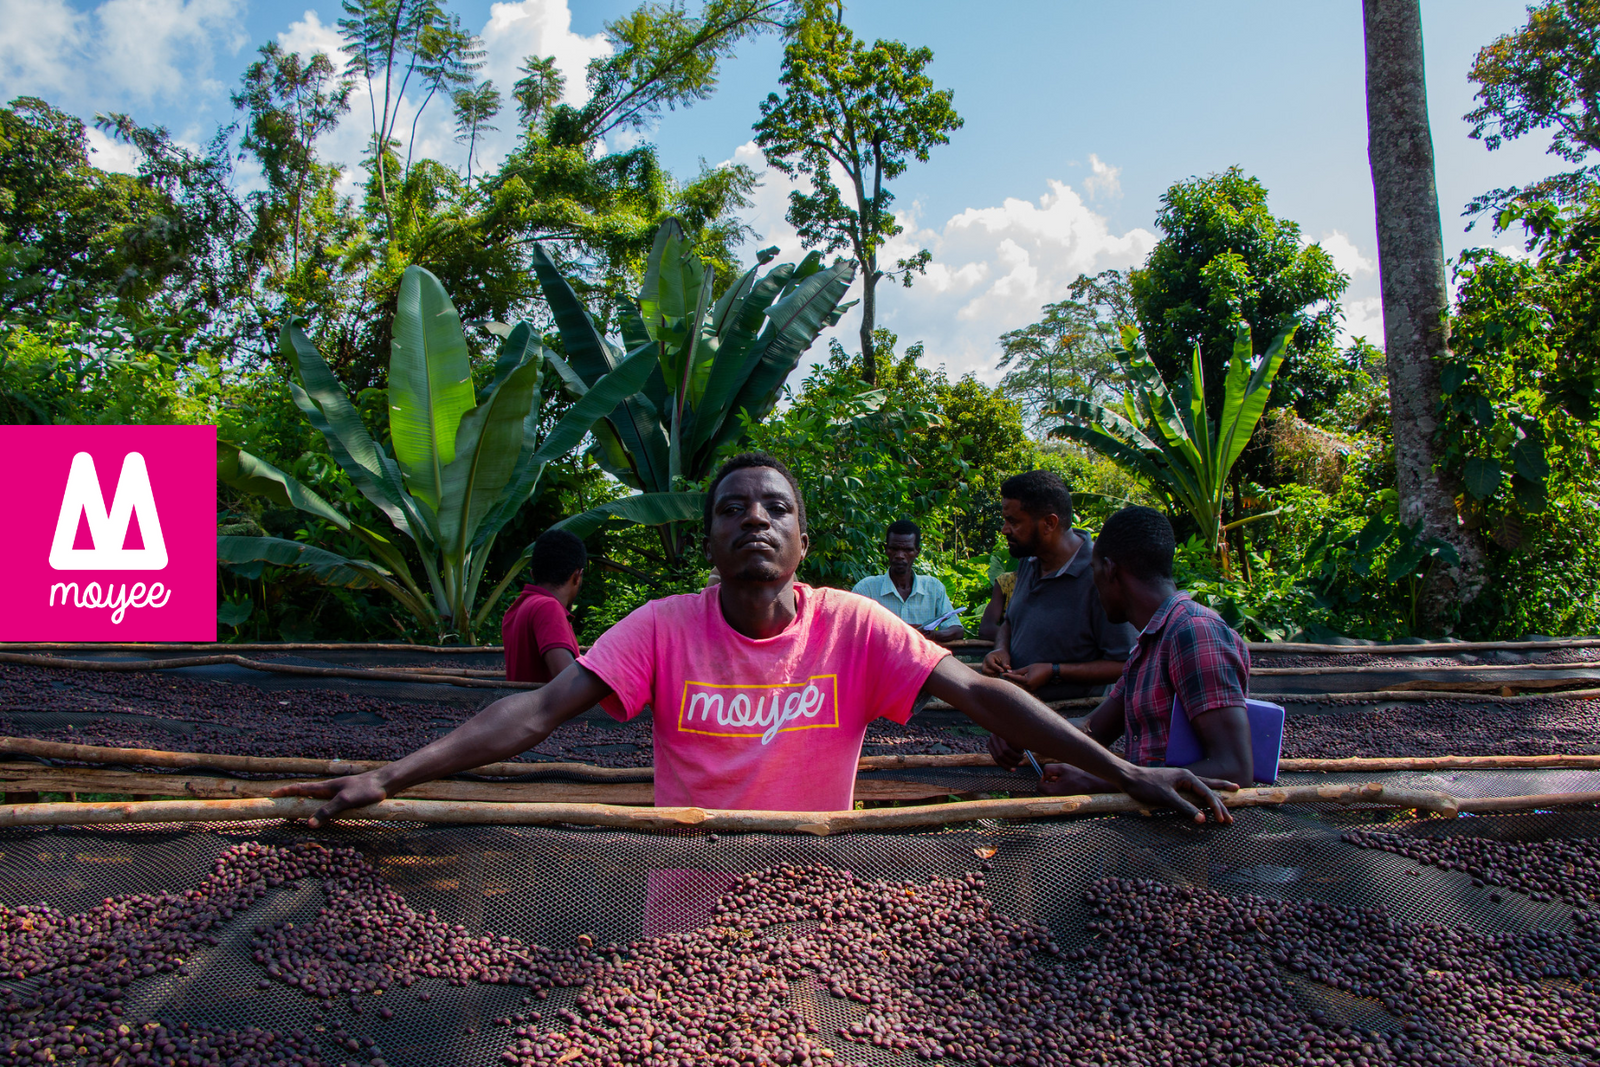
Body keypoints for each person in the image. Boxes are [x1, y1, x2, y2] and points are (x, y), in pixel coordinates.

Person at [279, 453, 1236, 823]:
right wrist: (392, 774)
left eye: (775, 506)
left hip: (824, 876)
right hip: (685, 881)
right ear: (709, 538)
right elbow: (533, 712)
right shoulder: (661, 628)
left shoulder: (856, 625)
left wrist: (1130, 774)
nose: (754, 520)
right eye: (732, 508)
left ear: (802, 539)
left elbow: (988, 696)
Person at [989, 506, 1253, 794]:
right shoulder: (1149, 644)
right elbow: (1093, 729)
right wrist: (1022, 731)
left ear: (1111, 570)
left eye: (1094, 572)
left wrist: (1101, 781)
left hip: (1193, 832)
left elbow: (1234, 768)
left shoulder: (1194, 632)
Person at [980, 470, 1136, 700]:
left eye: (1013, 521)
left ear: (1049, 523)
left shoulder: (1101, 576)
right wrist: (1001, 648)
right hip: (1019, 714)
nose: (1004, 529)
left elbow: (1125, 664)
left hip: (1072, 723)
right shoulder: (1028, 560)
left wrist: (1054, 672)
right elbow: (1011, 622)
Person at [851, 519, 964, 642]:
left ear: (917, 552)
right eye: (894, 549)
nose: (899, 555)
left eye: (907, 550)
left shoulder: (934, 588)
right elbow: (851, 631)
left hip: (923, 660)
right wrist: (899, 633)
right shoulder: (866, 589)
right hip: (881, 660)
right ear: (886, 549)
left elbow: (956, 629)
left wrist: (932, 635)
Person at [501, 529, 585, 684]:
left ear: (533, 574)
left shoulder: (517, 608)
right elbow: (569, 681)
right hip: (545, 708)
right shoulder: (548, 607)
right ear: (576, 576)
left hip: (523, 707)